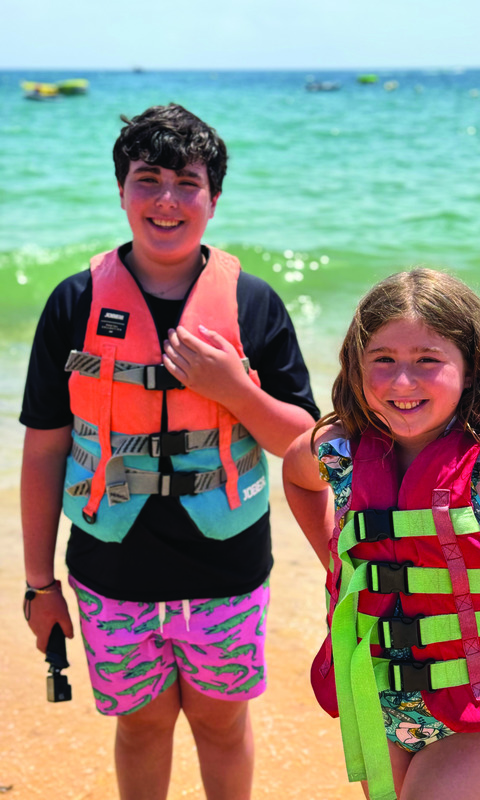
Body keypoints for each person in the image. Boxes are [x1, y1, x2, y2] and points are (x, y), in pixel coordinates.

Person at [20, 103, 320, 800]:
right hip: (108, 568)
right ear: (120, 190)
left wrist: (235, 390)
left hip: (227, 566)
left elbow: (306, 450)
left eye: (187, 182)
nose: (166, 200)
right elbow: (43, 452)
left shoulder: (253, 303)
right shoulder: (74, 303)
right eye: (146, 179)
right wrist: (39, 586)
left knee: (221, 726)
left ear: (214, 200)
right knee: (143, 729)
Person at [282, 268, 480, 800]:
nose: (402, 382)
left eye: (428, 360)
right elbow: (296, 479)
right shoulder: (334, 451)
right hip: (374, 694)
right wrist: (340, 567)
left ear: (470, 368)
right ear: (356, 367)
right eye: (382, 360)